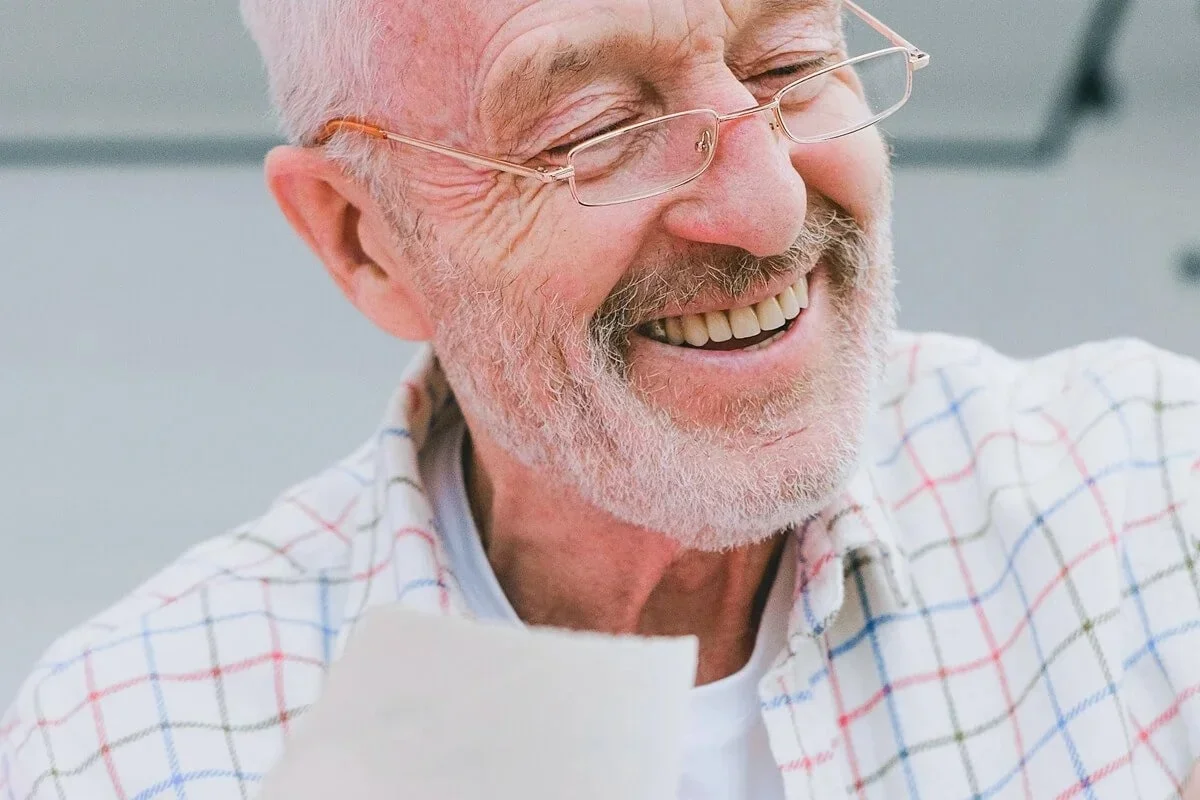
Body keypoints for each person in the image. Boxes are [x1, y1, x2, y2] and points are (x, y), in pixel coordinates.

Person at [3, 0, 1200, 797]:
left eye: (787, 65)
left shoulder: (1155, 505)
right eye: (600, 130)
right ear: (366, 238)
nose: (769, 205)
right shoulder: (139, 739)